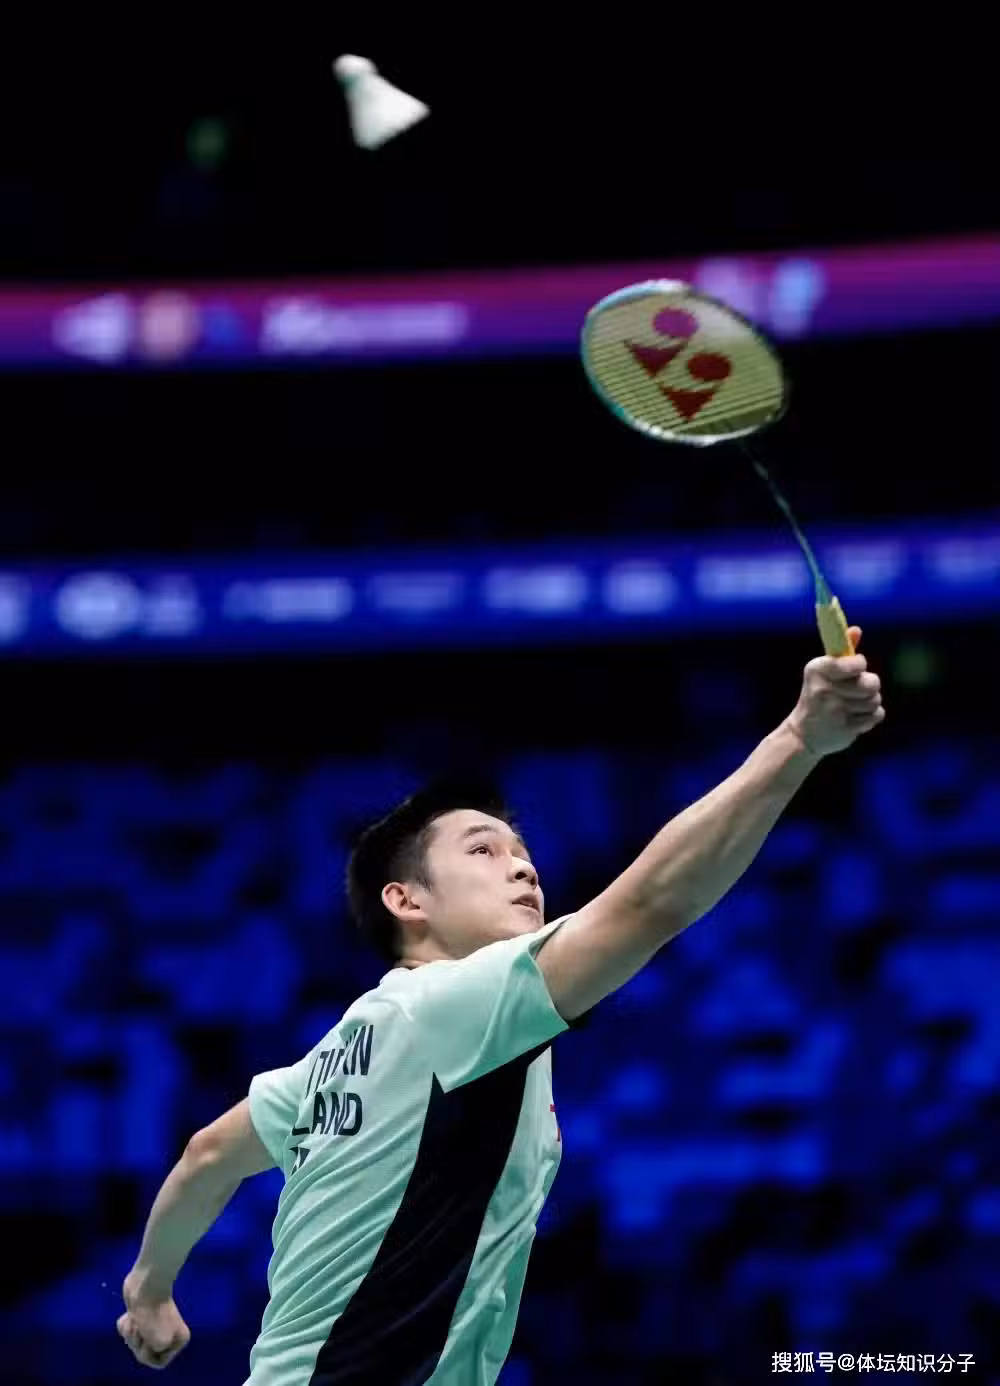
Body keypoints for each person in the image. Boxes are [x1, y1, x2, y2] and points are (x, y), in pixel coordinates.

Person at [117, 631, 884, 1382]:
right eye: (483, 851)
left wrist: (149, 1288)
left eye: (523, 854)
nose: (522, 870)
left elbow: (208, 1155)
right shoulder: (450, 1005)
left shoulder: (342, 1053)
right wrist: (798, 740)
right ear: (406, 900)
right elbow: (651, 905)